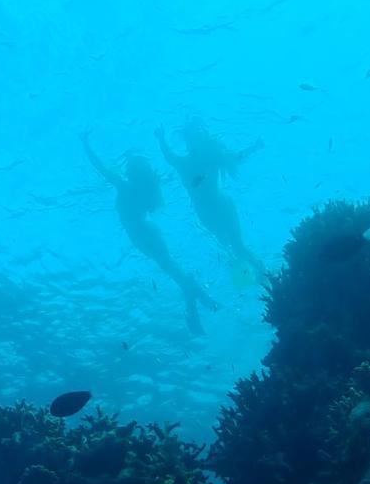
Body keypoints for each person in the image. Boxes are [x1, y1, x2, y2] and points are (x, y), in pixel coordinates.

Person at [79, 130, 216, 335]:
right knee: (171, 267)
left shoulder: (125, 186)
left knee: (171, 268)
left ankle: (197, 300)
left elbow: (101, 167)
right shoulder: (146, 188)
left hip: (141, 234)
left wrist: (85, 143)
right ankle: (199, 298)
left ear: (131, 171)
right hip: (149, 231)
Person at [156, 118, 266, 283]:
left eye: (194, 137)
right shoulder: (188, 162)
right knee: (228, 245)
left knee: (236, 246)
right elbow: (169, 156)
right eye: (190, 137)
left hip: (220, 207)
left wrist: (254, 147)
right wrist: (161, 139)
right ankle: (248, 271)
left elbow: (236, 157)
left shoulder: (209, 157)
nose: (192, 141)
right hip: (209, 212)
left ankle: (259, 269)